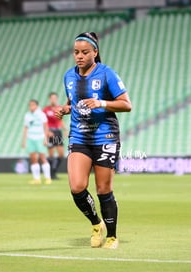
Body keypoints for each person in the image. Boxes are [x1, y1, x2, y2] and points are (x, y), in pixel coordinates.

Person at [55, 32, 132, 249]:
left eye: (84, 52)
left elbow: (126, 104)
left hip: (105, 135)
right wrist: (65, 109)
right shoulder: (69, 76)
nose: (79, 56)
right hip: (79, 136)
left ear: (95, 52)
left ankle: (112, 236)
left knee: (103, 190)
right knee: (77, 187)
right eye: (76, 52)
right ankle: (96, 223)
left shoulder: (107, 74)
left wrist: (102, 104)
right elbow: (74, 101)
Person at [22, 99, 52, 184]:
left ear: (36, 106)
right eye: (30, 105)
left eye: (33, 105)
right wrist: (24, 140)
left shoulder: (41, 114)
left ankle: (48, 178)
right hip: (30, 138)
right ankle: (36, 179)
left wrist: (46, 138)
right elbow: (26, 128)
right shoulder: (27, 115)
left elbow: (45, 126)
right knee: (33, 158)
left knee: (42, 157)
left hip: (40, 137)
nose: (31, 107)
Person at [43, 92, 67, 180]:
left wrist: (65, 129)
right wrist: (48, 131)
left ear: (56, 99)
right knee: (51, 154)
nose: (53, 99)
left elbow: (60, 120)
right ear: (49, 99)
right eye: (52, 98)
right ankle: (51, 174)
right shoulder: (45, 110)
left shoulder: (59, 108)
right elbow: (44, 123)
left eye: (55, 98)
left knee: (61, 154)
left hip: (58, 132)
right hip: (50, 132)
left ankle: (53, 170)